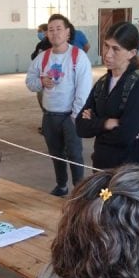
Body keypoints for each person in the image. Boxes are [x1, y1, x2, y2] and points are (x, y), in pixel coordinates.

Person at [26, 14, 92, 197]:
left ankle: (80, 191)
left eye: (59, 29)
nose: (54, 33)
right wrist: (41, 81)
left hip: (70, 115)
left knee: (75, 154)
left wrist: (75, 116)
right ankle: (61, 186)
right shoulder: (42, 57)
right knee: (56, 154)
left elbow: (84, 89)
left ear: (68, 32)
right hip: (49, 115)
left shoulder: (78, 57)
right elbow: (30, 81)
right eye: (50, 29)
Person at [76, 22, 139, 170]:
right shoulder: (102, 83)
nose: (107, 54)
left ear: (132, 53)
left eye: (116, 49)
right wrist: (106, 123)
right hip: (102, 167)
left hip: (130, 172)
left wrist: (96, 125)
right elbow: (80, 127)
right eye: (106, 46)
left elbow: (125, 135)